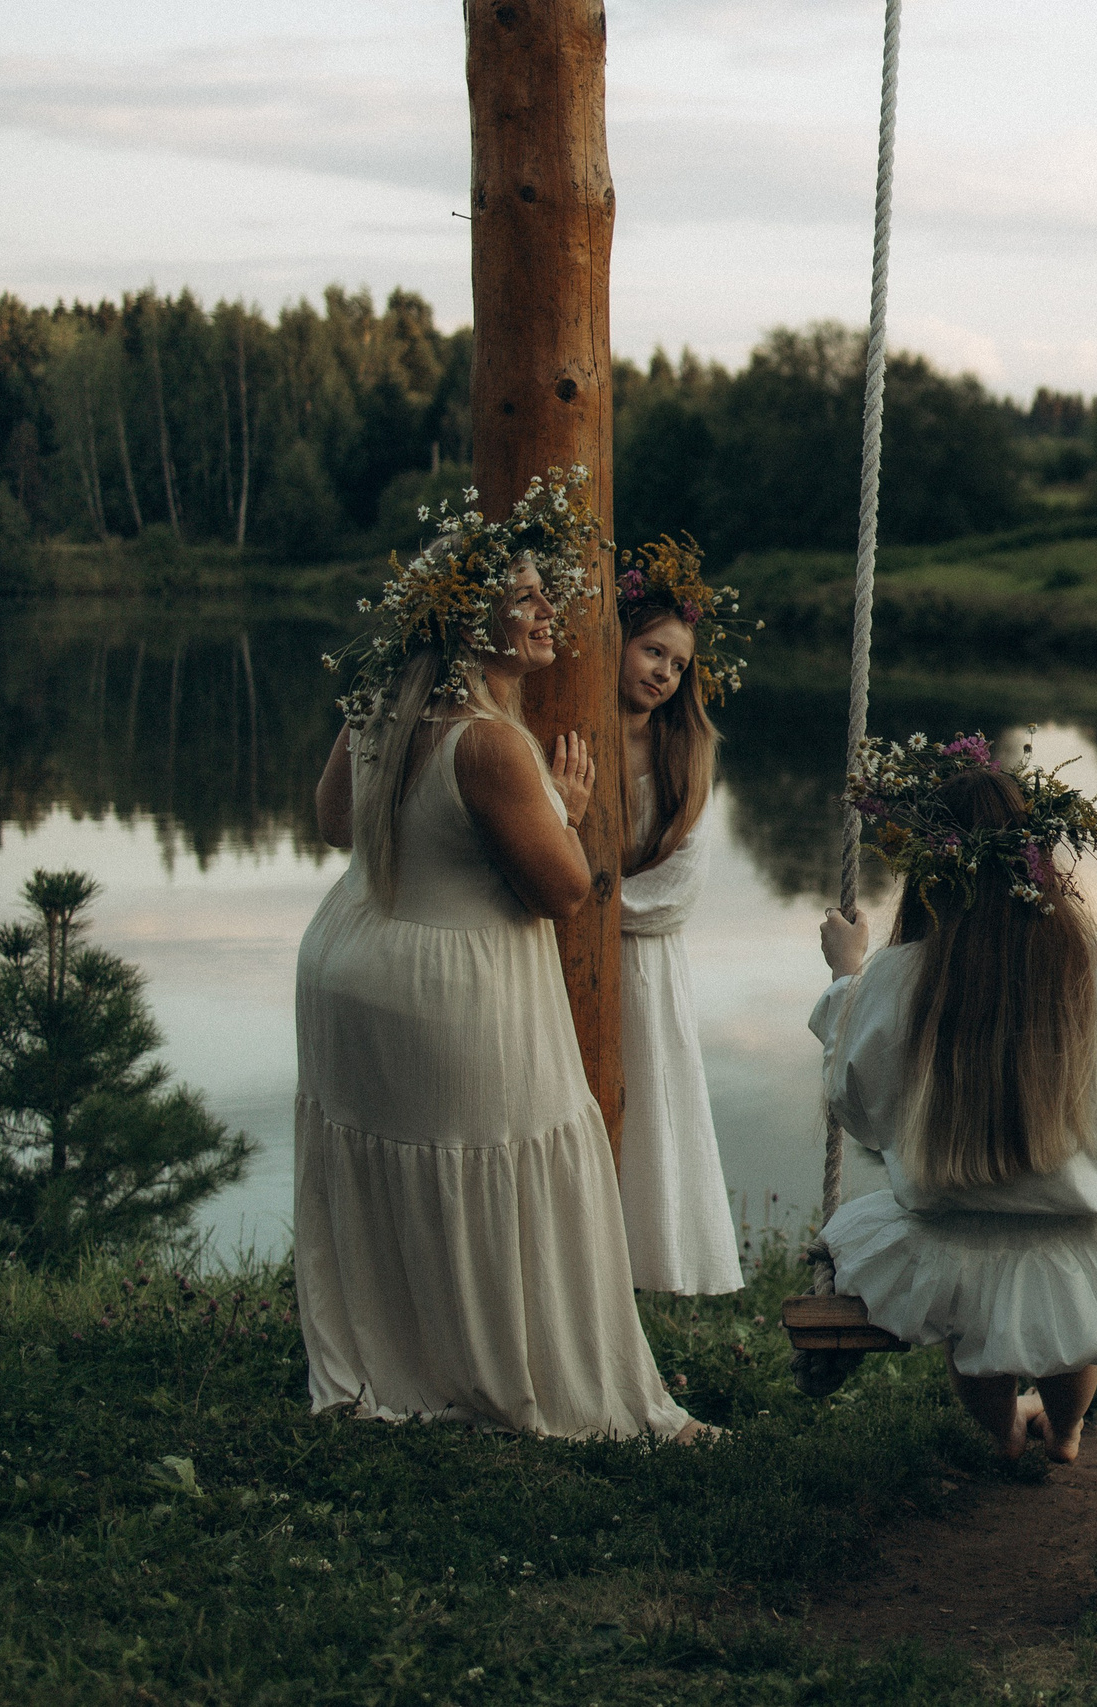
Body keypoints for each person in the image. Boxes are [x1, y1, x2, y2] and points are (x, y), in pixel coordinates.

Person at [295, 470, 698, 1441]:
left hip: (350, 960)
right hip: (455, 982)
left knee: (399, 1174)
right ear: (473, 621)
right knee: (503, 1169)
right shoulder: (489, 744)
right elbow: (562, 890)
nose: (547, 614)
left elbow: (329, 823)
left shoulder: (378, 708)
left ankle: (401, 1361)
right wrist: (566, 806)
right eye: (524, 601)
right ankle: (512, 1376)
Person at [809, 733, 1097, 1463]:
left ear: (929, 874)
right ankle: (1066, 1429)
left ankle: (1005, 1432)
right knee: (1077, 1317)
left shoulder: (898, 975)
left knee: (969, 1330)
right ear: (1038, 861)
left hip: (947, 1237)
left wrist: (845, 978)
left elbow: (855, 1102)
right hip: (1077, 1237)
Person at [612, 538, 750, 1295]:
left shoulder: (686, 751)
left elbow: (676, 892)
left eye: (677, 663)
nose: (664, 673)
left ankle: (640, 1270)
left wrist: (578, 899)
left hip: (642, 962)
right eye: (652, 650)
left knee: (646, 1110)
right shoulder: (564, 725)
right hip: (546, 948)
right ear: (616, 640)